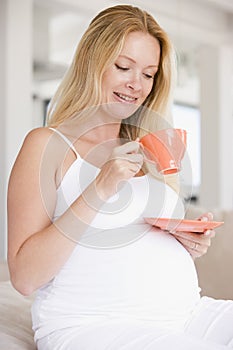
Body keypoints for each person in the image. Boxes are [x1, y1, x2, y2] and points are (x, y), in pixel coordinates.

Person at [7, 4, 233, 350]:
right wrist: (99, 187)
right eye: (124, 67)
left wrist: (186, 239)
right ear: (92, 62)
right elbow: (24, 277)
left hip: (188, 314)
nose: (136, 85)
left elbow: (132, 245)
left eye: (148, 74)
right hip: (94, 324)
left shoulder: (144, 147)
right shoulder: (47, 145)